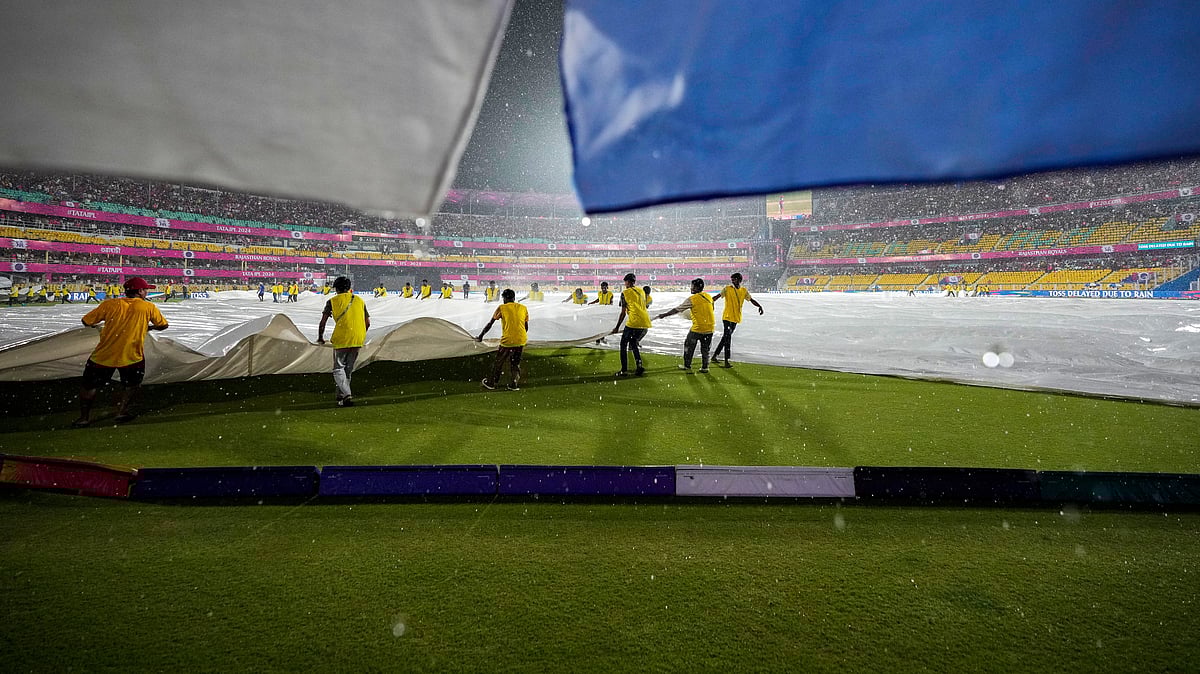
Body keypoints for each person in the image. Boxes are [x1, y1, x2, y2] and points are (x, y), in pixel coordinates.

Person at [73, 277, 169, 427]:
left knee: (89, 386)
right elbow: (163, 325)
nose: (146, 292)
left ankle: (84, 418)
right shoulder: (148, 307)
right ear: (140, 291)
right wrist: (148, 327)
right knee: (131, 385)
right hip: (132, 356)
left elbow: (86, 321)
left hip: (103, 355)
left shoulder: (109, 304)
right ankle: (121, 411)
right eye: (145, 290)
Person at [316, 276, 370, 407]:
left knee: (338, 368)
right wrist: (359, 334)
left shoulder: (332, 301)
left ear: (336, 288)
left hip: (342, 337)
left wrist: (320, 337)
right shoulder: (359, 300)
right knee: (348, 369)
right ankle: (341, 396)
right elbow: (367, 322)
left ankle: (347, 394)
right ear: (349, 287)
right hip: (358, 338)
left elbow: (323, 322)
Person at [656, 278, 715, 373]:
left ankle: (687, 365)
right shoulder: (708, 297)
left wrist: (664, 315)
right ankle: (705, 367)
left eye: (692, 286)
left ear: (696, 288)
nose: (691, 288)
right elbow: (711, 309)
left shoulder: (692, 299)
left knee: (689, 345)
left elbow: (677, 309)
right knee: (705, 349)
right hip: (710, 328)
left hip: (698, 328)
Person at [475, 288, 528, 391]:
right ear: (514, 298)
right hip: (521, 339)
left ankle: (491, 383)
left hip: (507, 341)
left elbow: (490, 324)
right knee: (515, 363)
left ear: (504, 298)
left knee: (499, 362)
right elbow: (525, 327)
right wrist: (519, 337)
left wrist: (481, 336)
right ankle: (514, 384)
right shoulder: (523, 308)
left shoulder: (502, 308)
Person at [712, 272, 764, 368]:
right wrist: (710, 302)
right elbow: (717, 297)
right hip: (727, 317)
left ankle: (715, 356)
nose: (732, 281)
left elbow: (751, 300)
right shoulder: (727, 289)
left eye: (734, 279)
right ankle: (726, 360)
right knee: (728, 338)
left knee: (725, 338)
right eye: (732, 280)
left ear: (740, 280)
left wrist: (759, 306)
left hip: (735, 318)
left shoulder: (743, 291)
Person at [610, 273, 651, 376]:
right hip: (645, 321)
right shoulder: (641, 291)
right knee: (633, 343)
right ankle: (639, 365)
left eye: (625, 282)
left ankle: (624, 370)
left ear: (627, 282)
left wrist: (617, 327)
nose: (625, 284)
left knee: (623, 345)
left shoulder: (625, 293)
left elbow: (623, 313)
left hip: (634, 322)